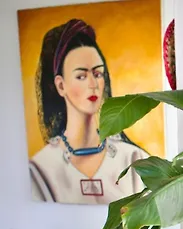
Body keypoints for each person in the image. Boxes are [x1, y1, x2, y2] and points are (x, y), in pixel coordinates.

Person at [30, 19, 148, 204]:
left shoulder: (133, 159)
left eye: (97, 74)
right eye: (81, 76)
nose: (93, 84)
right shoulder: (41, 170)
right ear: (60, 85)